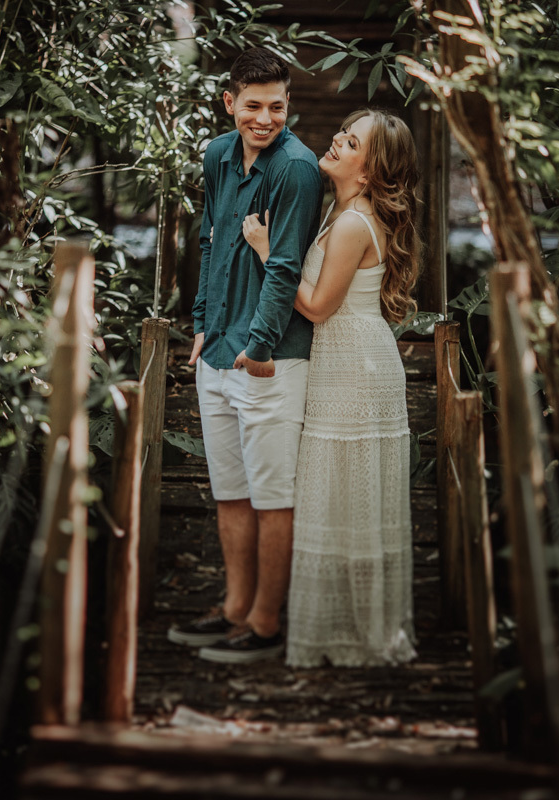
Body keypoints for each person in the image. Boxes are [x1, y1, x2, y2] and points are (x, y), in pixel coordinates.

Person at [242, 108, 421, 667]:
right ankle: (343, 626)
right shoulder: (340, 212)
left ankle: (361, 632)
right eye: (341, 133)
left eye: (351, 142)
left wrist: (271, 255)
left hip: (356, 367)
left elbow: (318, 307)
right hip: (345, 360)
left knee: (349, 495)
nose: (336, 142)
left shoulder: (351, 222)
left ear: (367, 174)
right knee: (340, 496)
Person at [166, 48, 323, 663]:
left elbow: (283, 269)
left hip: (270, 358)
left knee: (271, 496)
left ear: (289, 104)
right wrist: (203, 324)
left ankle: (264, 623)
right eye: (252, 106)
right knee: (230, 491)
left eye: (277, 107)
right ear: (229, 101)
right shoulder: (215, 155)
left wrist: (257, 347)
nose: (265, 119)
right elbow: (210, 241)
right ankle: (234, 608)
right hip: (218, 351)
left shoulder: (298, 169)